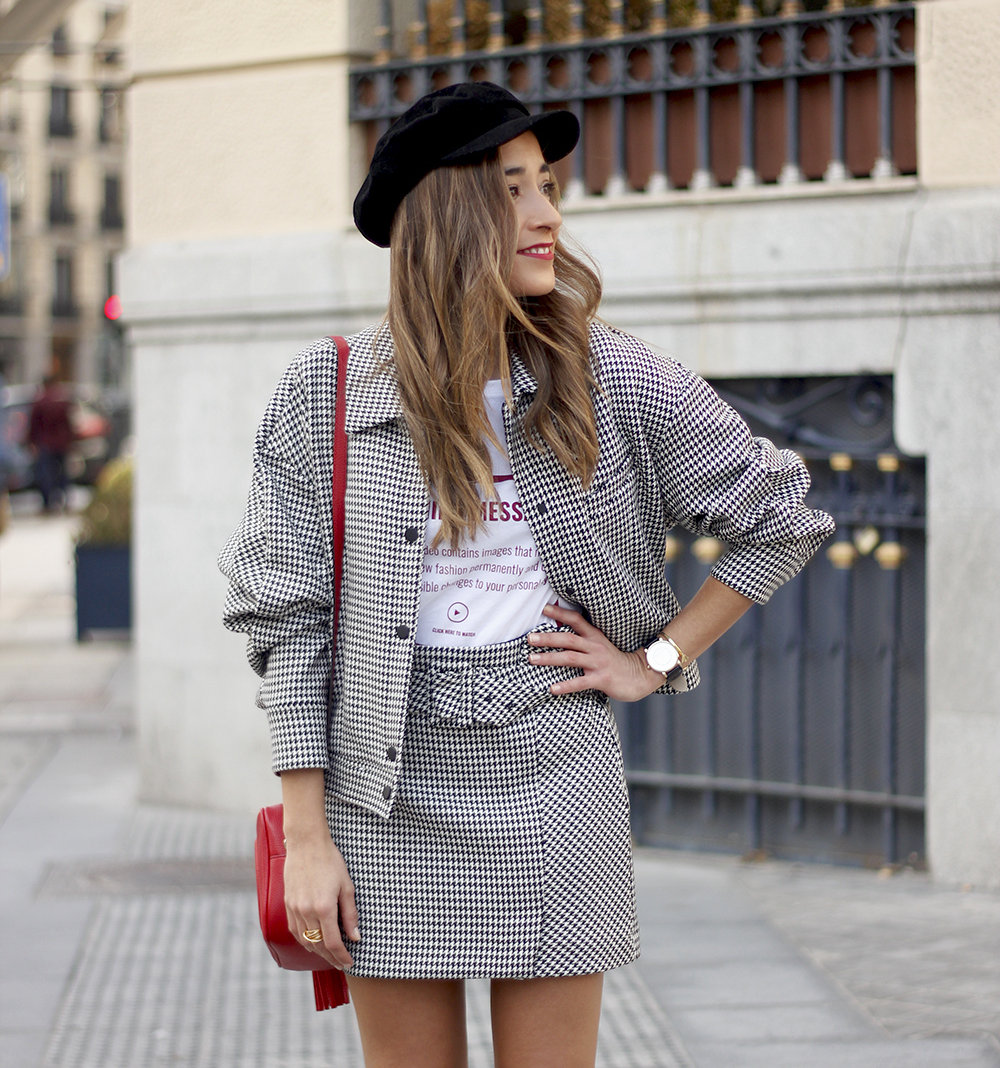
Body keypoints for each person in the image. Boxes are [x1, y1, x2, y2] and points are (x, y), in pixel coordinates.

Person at [220, 81, 834, 1068]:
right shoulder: (324, 391)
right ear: (448, 212)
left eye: (547, 186)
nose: (547, 213)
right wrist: (305, 834)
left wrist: (659, 654)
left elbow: (781, 515)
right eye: (514, 189)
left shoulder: (613, 378)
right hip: (385, 788)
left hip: (556, 772)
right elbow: (290, 622)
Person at [28, 373, 75, 513]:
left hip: (46, 443)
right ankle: (64, 500)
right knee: (63, 473)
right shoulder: (62, 401)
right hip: (62, 443)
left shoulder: (40, 402)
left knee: (46, 474)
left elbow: (34, 425)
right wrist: (71, 440)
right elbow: (69, 423)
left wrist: (32, 442)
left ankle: (48, 503)